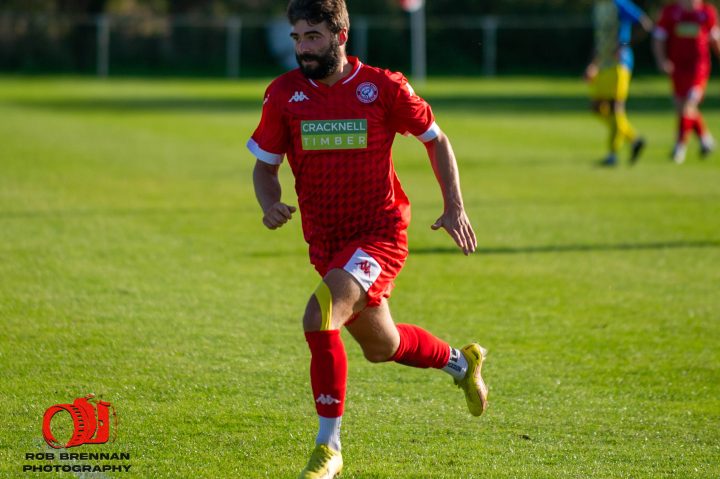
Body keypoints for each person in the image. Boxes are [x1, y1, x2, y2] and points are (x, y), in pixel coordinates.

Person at [247, 0, 487, 477]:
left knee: (318, 316)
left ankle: (328, 448)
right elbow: (264, 165)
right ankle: (463, 364)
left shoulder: (382, 87)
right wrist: (268, 203)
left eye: (313, 37)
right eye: (297, 38)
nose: (303, 48)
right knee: (384, 346)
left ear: (341, 35)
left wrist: (454, 205)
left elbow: (436, 139)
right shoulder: (283, 94)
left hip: (379, 235)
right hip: (327, 242)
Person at [584, 0, 653, 167]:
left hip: (619, 65)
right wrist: (593, 63)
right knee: (596, 108)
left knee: (615, 108)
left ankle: (612, 155)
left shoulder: (620, 4)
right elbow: (600, 40)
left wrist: (623, 45)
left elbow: (645, 24)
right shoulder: (598, 7)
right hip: (603, 65)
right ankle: (634, 139)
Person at [652, 0, 720, 164]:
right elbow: (659, 38)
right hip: (678, 68)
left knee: (688, 105)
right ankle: (705, 140)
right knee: (681, 106)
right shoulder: (670, 12)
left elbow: (715, 39)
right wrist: (662, 60)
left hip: (699, 68)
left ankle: (679, 147)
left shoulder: (707, 12)